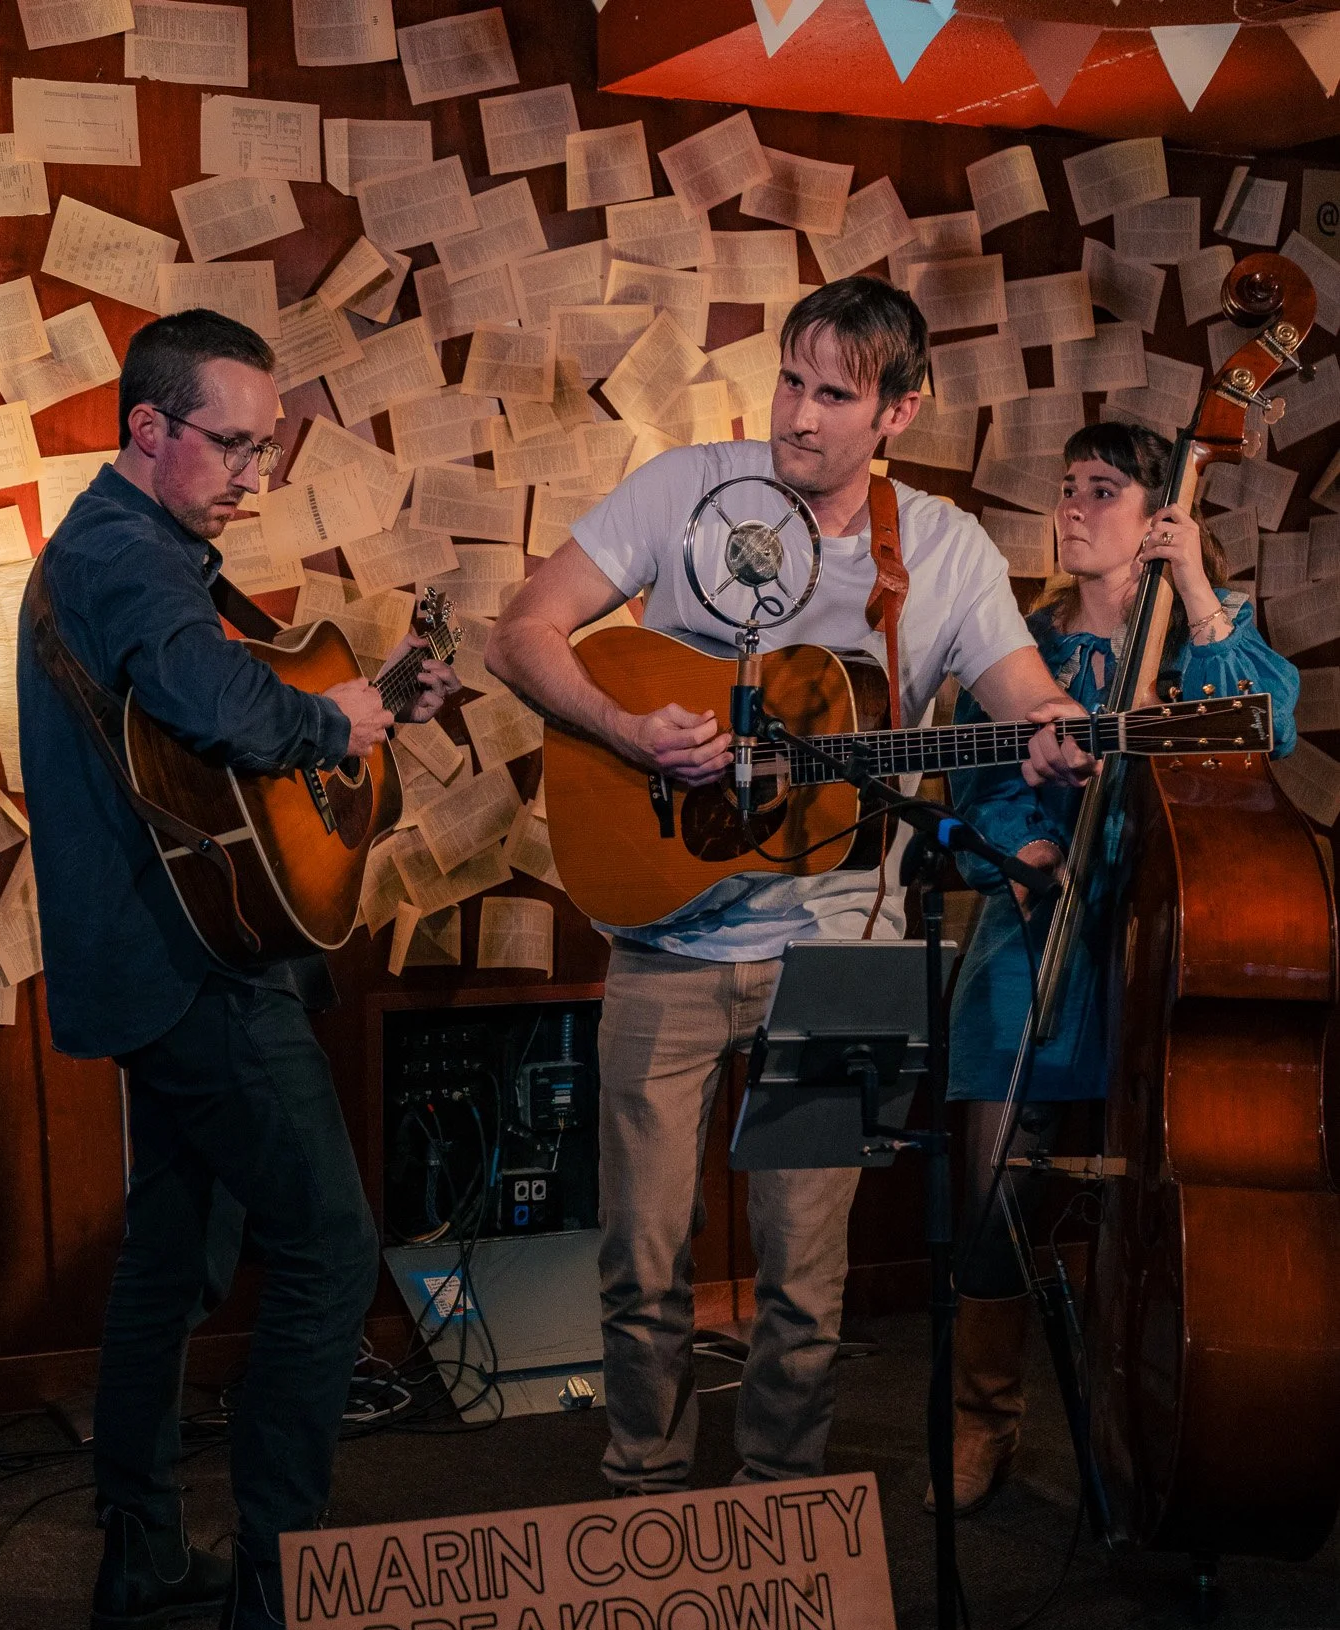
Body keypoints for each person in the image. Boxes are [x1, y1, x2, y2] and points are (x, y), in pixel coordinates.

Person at [485, 275, 1094, 1496]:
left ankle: (787, 1515)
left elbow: (1021, 688)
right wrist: (622, 724)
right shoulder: (682, 490)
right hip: (665, 935)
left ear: (899, 413)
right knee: (641, 1255)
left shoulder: (940, 547)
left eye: (836, 394)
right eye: (791, 381)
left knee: (806, 1280)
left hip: (846, 949)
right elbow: (523, 631)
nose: (799, 416)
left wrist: (1059, 726)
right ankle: (646, 1488)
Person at [16, 310, 459, 1630]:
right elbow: (219, 701)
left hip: (172, 963)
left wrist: (365, 704)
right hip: (199, 978)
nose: (255, 472)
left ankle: (144, 1547)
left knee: (174, 1251)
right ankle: (276, 1600)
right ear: (147, 429)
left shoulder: (136, 553)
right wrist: (336, 723)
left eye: (269, 448)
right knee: (330, 1250)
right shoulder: (122, 555)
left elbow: (221, 747)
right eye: (233, 444)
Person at [941, 421, 1300, 1514]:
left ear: (1157, 513)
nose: (1074, 505)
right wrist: (1022, 846)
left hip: (1165, 935)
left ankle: (1137, 1422)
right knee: (994, 1176)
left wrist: (1194, 585)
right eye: (1067, 487)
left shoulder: (1201, 642)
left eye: (1104, 489)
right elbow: (975, 772)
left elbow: (1266, 725)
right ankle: (981, 1417)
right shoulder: (1022, 648)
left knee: (1148, 1203)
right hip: (1038, 925)